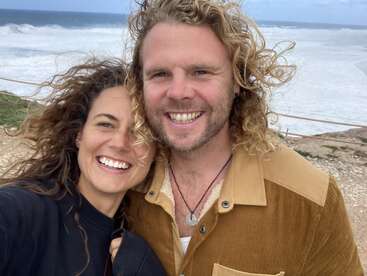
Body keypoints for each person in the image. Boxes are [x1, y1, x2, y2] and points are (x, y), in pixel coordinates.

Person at [116, 0, 364, 275]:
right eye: (160, 74)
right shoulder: (121, 182)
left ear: (237, 80)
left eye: (200, 72)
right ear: (140, 84)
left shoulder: (311, 198)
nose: (178, 92)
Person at [0, 59, 165, 276]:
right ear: (79, 134)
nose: (119, 142)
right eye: (106, 124)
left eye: (140, 132)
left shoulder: (134, 244)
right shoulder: (20, 213)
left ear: (155, 152)